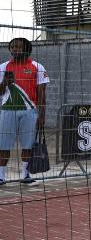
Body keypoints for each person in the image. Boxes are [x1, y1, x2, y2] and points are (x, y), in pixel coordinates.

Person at [0, 38, 48, 185]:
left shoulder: (37, 67)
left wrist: (41, 116)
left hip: (30, 112)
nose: (16, 49)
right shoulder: (3, 67)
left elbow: (42, 94)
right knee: (3, 145)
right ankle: (1, 177)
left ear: (27, 48)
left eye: (19, 47)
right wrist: (5, 83)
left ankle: (25, 175)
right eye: (13, 47)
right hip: (7, 111)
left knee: (28, 145)